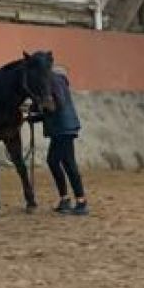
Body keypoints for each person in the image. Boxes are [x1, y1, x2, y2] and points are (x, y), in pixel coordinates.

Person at [41, 65, 88, 216]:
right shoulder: (59, 83)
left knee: (67, 164)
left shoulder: (55, 82)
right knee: (55, 162)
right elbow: (53, 108)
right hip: (63, 128)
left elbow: (56, 106)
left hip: (63, 129)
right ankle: (66, 199)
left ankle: (80, 201)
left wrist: (43, 106)